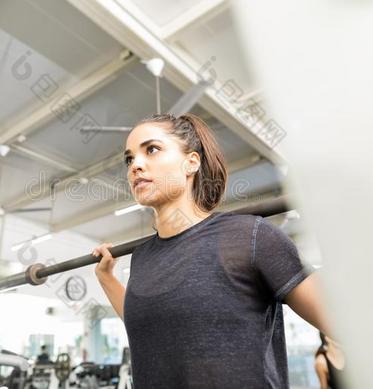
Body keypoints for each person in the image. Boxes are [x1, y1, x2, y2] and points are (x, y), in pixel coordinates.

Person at [92, 113, 331, 388]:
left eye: (152, 149)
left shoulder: (250, 237)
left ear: (191, 163)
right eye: (129, 159)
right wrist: (107, 280)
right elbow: (153, 327)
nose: (136, 166)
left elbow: (349, 328)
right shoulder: (143, 257)